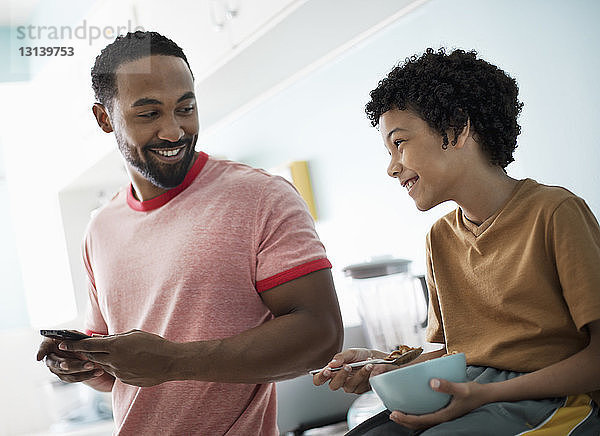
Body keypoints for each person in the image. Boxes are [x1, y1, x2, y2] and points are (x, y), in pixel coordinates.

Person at [36, 31, 343, 435]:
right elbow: (122, 376)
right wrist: (84, 362)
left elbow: (321, 333)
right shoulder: (100, 228)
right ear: (104, 118)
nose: (173, 131)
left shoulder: (261, 197)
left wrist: (175, 360)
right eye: (149, 114)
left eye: (185, 108)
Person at [313, 48, 600, 435]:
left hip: (555, 403)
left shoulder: (555, 212)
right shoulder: (439, 238)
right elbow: (457, 355)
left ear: (457, 128)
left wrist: (486, 396)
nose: (391, 167)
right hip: (478, 393)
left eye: (399, 143)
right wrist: (384, 367)